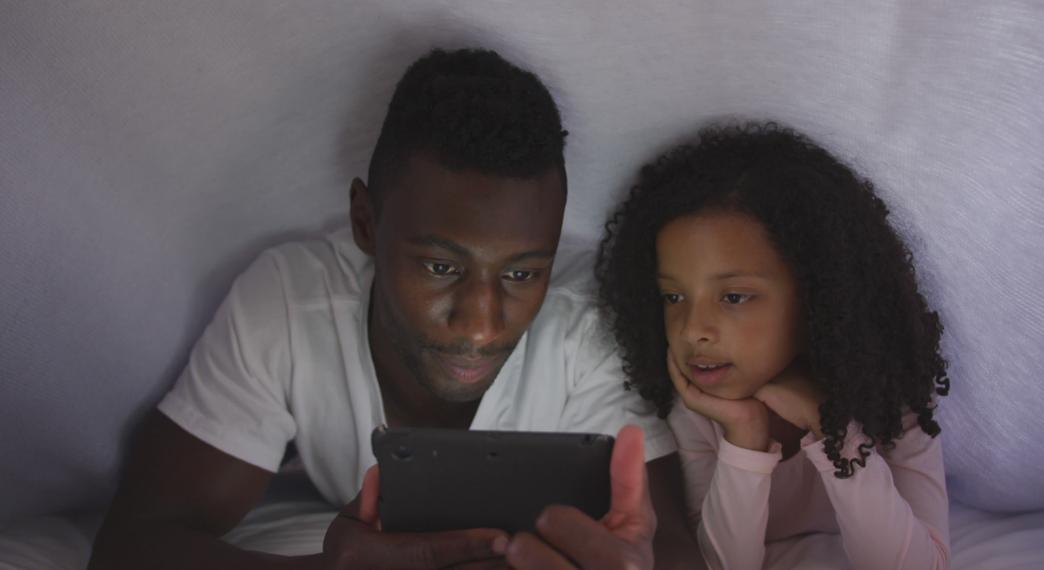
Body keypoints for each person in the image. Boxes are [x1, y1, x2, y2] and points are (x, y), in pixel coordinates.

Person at [90, 48, 702, 569]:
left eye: (521, 272)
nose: (482, 324)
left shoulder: (589, 322)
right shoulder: (292, 301)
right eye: (441, 267)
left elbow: (668, 551)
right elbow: (129, 545)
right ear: (366, 222)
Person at [595, 122, 952, 569]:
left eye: (734, 297)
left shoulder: (890, 394)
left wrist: (832, 429)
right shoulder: (697, 411)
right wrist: (743, 434)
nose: (692, 330)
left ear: (816, 295)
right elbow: (723, 566)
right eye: (673, 297)